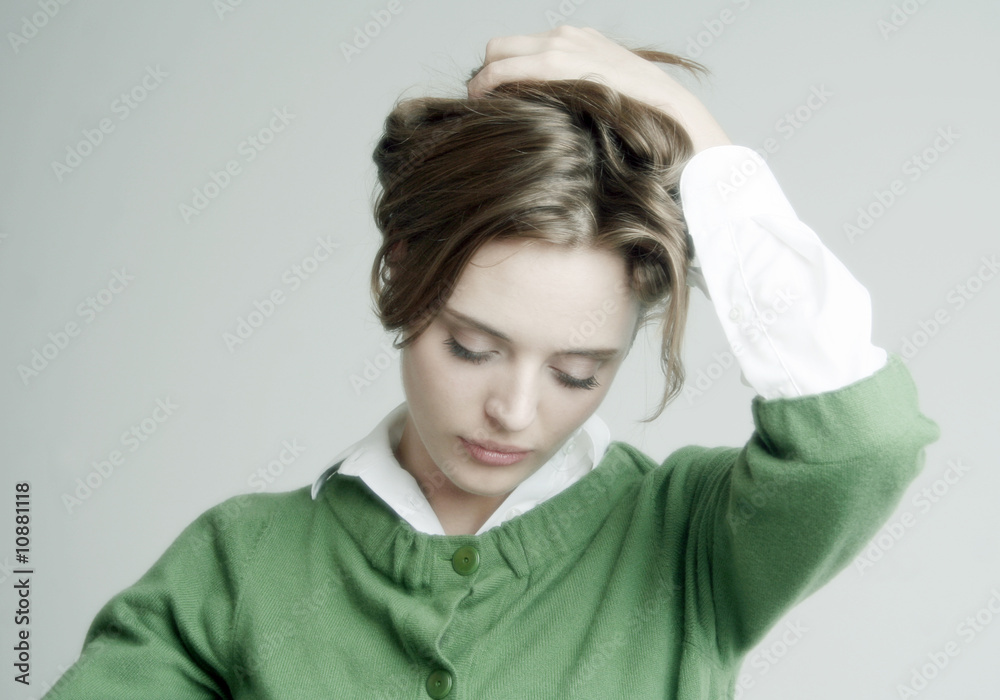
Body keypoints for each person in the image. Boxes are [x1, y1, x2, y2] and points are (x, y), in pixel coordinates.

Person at [44, 26, 939, 699]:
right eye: (472, 348)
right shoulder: (241, 564)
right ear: (403, 271)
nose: (513, 410)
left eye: (577, 372)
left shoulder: (692, 542)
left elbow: (866, 440)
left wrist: (708, 153)